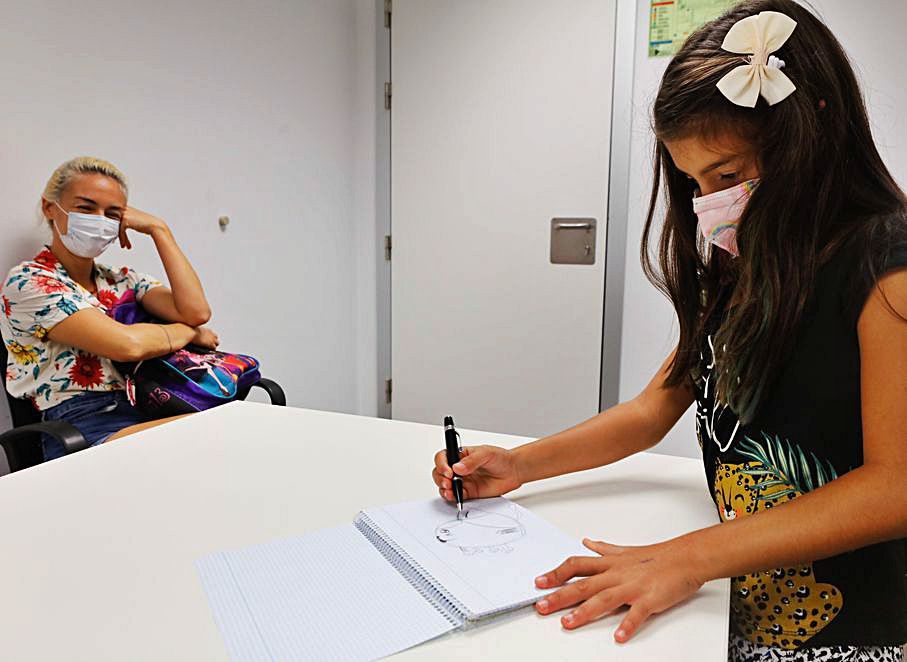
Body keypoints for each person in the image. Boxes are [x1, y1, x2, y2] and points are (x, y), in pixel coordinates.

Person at [432, 1, 907, 660]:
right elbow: (653, 408)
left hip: (847, 630)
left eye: (729, 175)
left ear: (812, 133)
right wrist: (518, 464)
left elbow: (894, 487)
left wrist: (685, 558)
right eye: (693, 182)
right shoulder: (745, 264)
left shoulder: (886, 269)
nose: (711, 202)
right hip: (736, 589)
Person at [1, 156, 219, 460]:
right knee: (217, 435)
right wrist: (188, 333)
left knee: (230, 434)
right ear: (50, 208)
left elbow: (197, 312)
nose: (100, 220)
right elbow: (127, 345)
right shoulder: (29, 282)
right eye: (86, 208)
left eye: (112, 214)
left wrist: (160, 230)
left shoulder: (120, 280)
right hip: (81, 425)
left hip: (149, 405)